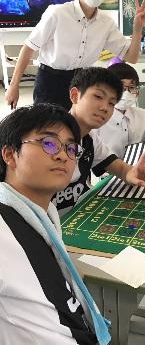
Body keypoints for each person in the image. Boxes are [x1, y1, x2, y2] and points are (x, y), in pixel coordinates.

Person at [0, 104, 113, 344]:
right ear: (9, 154)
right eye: (48, 143)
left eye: (71, 148)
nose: (63, 154)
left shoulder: (44, 211)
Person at [5, 0, 145, 110]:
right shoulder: (57, 14)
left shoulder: (106, 23)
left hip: (83, 82)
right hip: (51, 81)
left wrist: (137, 29)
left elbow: (131, 57)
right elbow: (28, 48)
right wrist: (14, 86)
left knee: (77, 128)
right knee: (48, 128)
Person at [56, 67, 145, 217]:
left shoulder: (90, 139)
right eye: (98, 97)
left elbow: (121, 170)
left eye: (111, 103)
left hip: (73, 218)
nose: (104, 108)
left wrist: (132, 172)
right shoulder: (50, 138)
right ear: (75, 95)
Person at [94, 62, 145, 158]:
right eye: (121, 87)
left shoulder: (141, 115)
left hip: (136, 167)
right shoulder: (98, 121)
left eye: (131, 87)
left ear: (137, 93)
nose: (127, 92)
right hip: (108, 171)